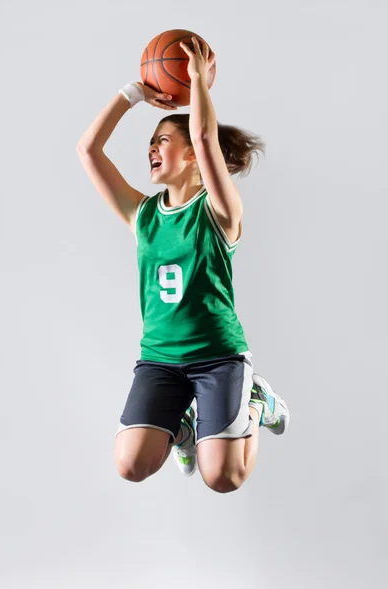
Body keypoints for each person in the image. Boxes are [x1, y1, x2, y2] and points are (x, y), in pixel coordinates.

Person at [76, 37, 290, 493]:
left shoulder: (218, 213)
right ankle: (183, 428)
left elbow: (206, 136)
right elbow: (88, 151)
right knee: (130, 465)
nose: (152, 149)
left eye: (164, 141)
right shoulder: (144, 215)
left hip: (218, 359)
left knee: (222, 477)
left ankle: (256, 403)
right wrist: (133, 94)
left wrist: (196, 85)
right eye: (150, 143)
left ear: (193, 154)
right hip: (160, 361)